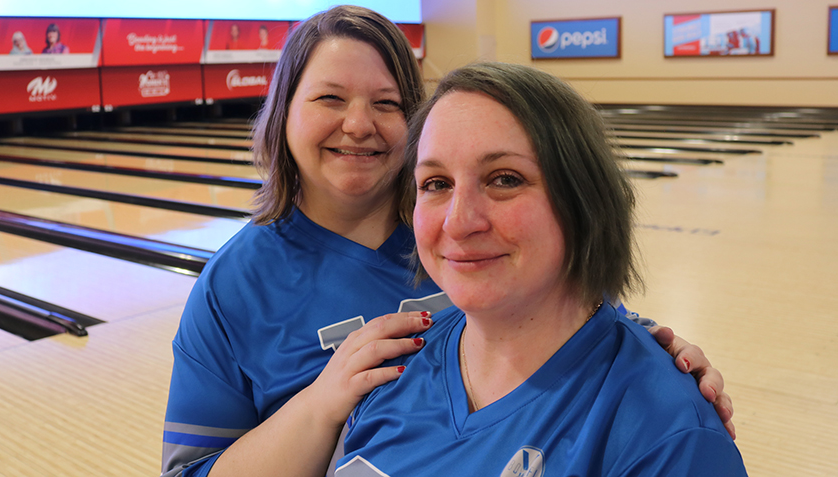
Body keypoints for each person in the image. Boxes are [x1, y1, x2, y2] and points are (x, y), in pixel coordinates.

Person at [161, 6, 733, 477]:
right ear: (282, 112)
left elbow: (576, 326)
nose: (358, 124)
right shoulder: (232, 285)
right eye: (329, 99)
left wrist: (656, 355)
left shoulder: (461, 240)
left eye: (387, 103)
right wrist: (321, 403)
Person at [336, 62, 747, 476]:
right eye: (436, 183)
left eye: (504, 179)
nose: (458, 222)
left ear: (585, 200)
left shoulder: (666, 436)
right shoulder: (391, 367)